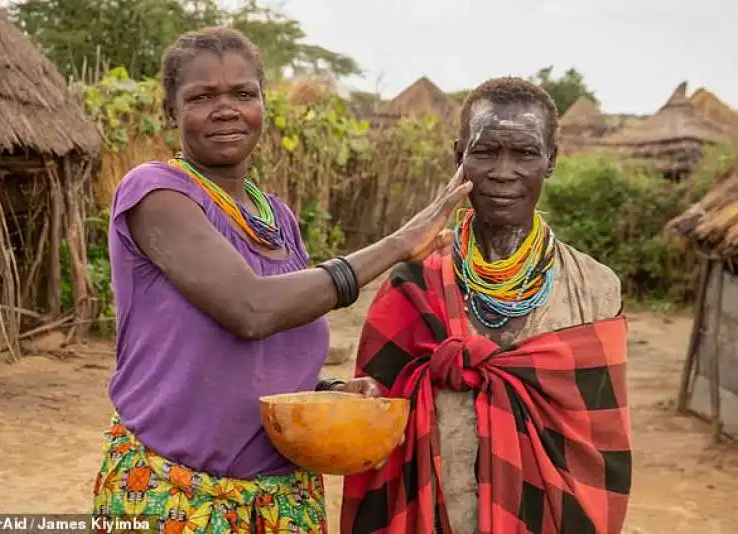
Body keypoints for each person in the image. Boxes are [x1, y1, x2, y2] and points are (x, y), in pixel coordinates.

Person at [90, 27, 471, 533]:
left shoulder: (278, 219)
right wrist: (399, 243)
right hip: (174, 495)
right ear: (170, 113)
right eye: (202, 97)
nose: (226, 109)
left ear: (262, 105)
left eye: (243, 94)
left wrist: (327, 390)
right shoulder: (155, 193)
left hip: (281, 501)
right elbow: (251, 311)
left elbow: (266, 352)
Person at [340, 77, 632, 534]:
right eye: (485, 151)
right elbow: (375, 429)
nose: (502, 171)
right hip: (434, 515)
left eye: (525, 154)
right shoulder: (412, 281)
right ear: (460, 156)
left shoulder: (595, 289)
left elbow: (596, 447)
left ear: (550, 160)